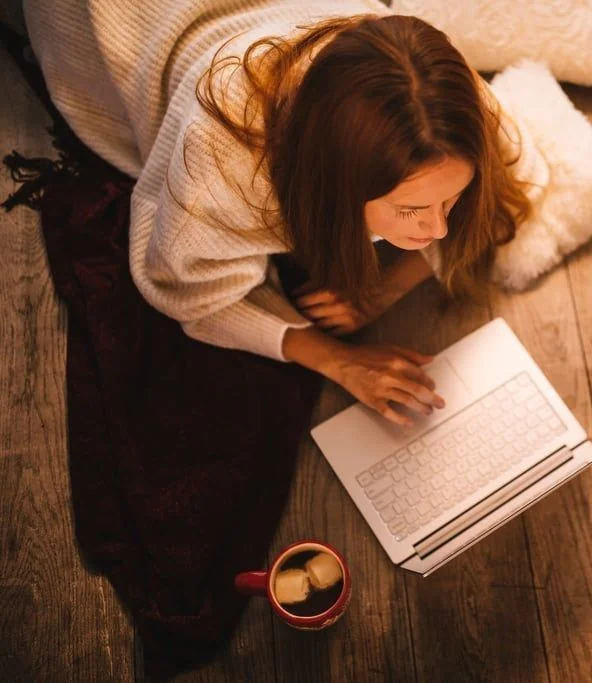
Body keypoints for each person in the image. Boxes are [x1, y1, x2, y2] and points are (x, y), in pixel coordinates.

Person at [25, 1, 547, 426]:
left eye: (452, 199)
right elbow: (186, 290)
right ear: (336, 188)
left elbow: (519, 176)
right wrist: (336, 359)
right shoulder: (222, 167)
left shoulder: (443, 105)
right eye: (412, 210)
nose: (439, 230)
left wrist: (389, 287)